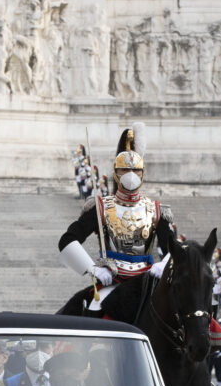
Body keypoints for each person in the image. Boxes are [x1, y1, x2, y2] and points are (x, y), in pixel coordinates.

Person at [59, 129, 172, 314]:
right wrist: (92, 269)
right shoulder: (101, 207)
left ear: (142, 173)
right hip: (112, 279)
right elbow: (68, 240)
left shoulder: (156, 209)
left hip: (147, 280)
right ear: (116, 172)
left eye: (135, 170)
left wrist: (163, 265)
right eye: (125, 169)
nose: (131, 174)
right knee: (96, 310)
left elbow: (174, 248)